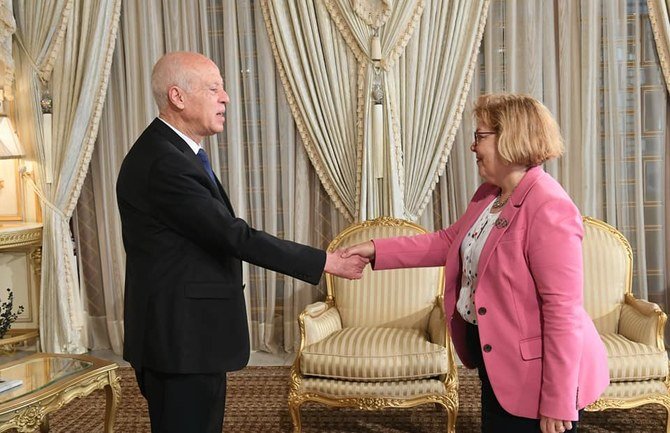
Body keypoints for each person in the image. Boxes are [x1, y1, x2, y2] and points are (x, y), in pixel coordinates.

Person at [116, 51, 368, 433]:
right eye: (214, 88)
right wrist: (325, 262)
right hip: (180, 342)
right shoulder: (164, 162)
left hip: (191, 338)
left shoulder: (177, 153)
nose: (226, 98)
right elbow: (233, 235)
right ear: (177, 97)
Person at [343, 93, 609, 433]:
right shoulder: (489, 195)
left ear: (511, 137)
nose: (473, 147)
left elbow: (562, 310)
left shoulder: (548, 205)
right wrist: (374, 249)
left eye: (480, 136)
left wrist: (558, 400)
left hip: (538, 374)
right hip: (498, 358)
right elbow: (449, 242)